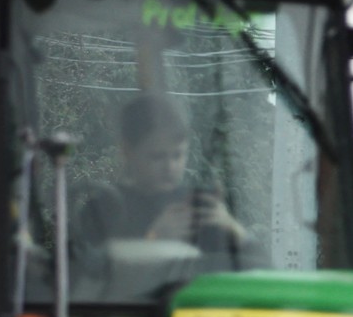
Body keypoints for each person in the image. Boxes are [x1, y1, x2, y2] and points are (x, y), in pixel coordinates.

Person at [78, 93, 248, 254]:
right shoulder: (102, 211)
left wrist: (233, 230)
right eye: (157, 156)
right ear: (127, 151)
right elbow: (88, 276)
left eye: (178, 155)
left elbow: (253, 269)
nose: (170, 166)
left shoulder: (194, 208)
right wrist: (154, 238)